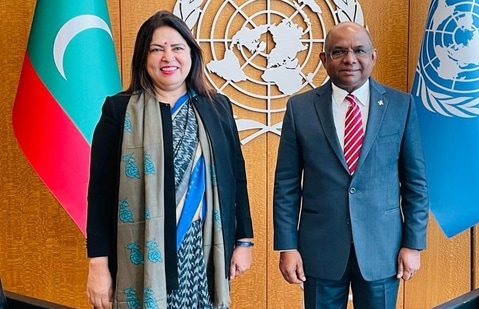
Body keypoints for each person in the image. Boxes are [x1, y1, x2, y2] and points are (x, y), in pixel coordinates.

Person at [86, 10, 254, 309]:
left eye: (177, 48)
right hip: (140, 253)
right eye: (156, 49)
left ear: (191, 54)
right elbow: (99, 194)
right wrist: (97, 266)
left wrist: (243, 241)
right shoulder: (120, 111)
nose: (168, 57)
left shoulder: (217, 108)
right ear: (143, 57)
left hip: (201, 249)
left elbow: (236, 178)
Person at [273, 22, 429, 308]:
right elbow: (286, 186)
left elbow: (415, 183)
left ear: (373, 56)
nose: (350, 59)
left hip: (384, 250)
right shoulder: (300, 108)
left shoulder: (400, 106)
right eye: (339, 51)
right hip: (319, 250)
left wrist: (413, 243)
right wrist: (288, 246)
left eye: (359, 50)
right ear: (324, 59)